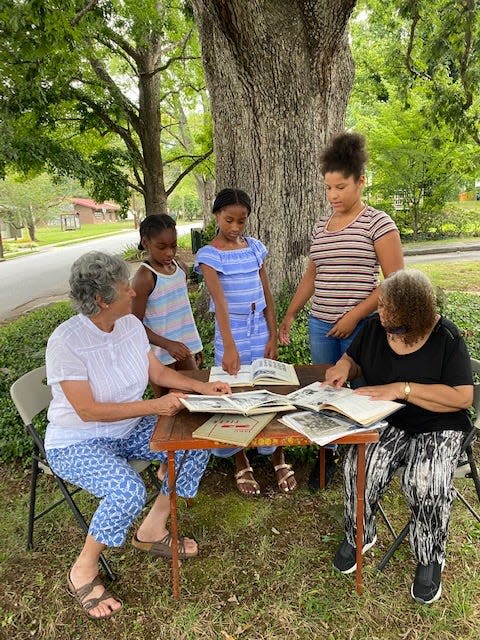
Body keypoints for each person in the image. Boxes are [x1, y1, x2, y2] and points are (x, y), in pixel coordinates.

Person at [44, 251, 231, 619]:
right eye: (124, 287)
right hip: (76, 440)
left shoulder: (129, 324)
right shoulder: (66, 341)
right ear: (101, 300)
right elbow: (88, 411)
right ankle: (82, 569)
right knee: (127, 488)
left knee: (196, 440)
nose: (133, 292)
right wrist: (156, 408)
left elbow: (159, 376)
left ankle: (151, 528)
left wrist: (202, 388)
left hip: (126, 427)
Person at [324, 269, 473, 604]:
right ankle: (360, 533)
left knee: (425, 481)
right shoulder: (376, 327)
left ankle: (430, 556)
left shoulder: (446, 337)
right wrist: (342, 369)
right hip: (389, 418)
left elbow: (462, 397)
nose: (382, 317)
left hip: (440, 423)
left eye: (392, 315)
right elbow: (354, 358)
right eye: (382, 308)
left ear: (415, 316)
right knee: (358, 466)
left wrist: (402, 389)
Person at [278, 131, 404, 486]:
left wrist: (354, 315)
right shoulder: (321, 225)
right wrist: (290, 314)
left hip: (364, 327)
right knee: (326, 392)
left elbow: (396, 282)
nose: (333, 195)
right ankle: (328, 458)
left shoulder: (378, 223)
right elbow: (311, 275)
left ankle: (367, 460)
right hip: (320, 325)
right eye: (328, 188)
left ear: (361, 181)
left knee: (363, 391)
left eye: (341, 187)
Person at [195, 188, 297, 496]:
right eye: (229, 220)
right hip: (233, 332)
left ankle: (276, 453)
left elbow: (267, 293)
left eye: (242, 221)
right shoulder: (209, 255)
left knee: (268, 389)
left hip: (259, 329)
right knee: (233, 392)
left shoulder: (255, 248)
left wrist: (273, 334)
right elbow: (220, 303)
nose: (235, 227)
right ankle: (240, 459)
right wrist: (229, 346)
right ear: (216, 215)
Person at [131, 213, 203, 397]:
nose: (169, 253)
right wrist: (168, 344)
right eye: (161, 247)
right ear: (146, 243)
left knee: (195, 397)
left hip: (184, 349)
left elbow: (182, 312)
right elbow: (133, 325)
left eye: (173, 246)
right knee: (169, 407)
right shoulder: (145, 277)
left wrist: (196, 345)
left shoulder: (180, 268)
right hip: (160, 355)